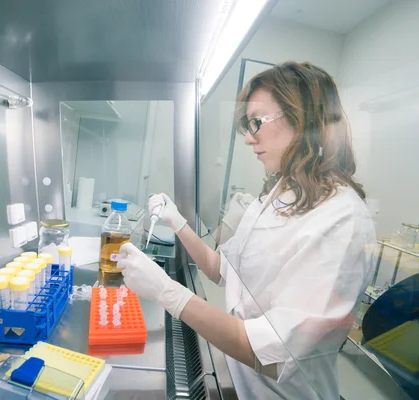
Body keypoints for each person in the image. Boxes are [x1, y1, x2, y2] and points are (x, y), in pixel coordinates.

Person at [117, 61, 376, 399]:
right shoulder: (280, 193)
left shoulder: (343, 221)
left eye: (257, 122)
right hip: (238, 378)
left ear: (304, 119)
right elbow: (221, 269)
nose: (249, 139)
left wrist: (168, 292)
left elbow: (275, 354)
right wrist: (177, 222)